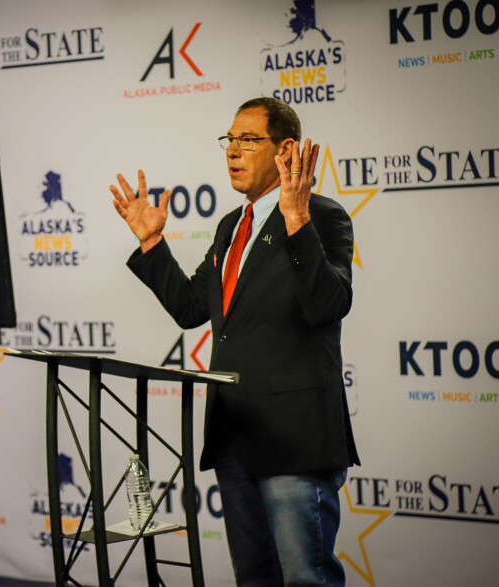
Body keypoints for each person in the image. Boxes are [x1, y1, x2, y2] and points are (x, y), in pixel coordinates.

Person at [109, 97, 359, 586]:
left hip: (294, 441)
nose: (233, 151)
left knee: (306, 578)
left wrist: (296, 220)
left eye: (248, 140)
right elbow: (190, 308)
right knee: (253, 578)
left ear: (286, 149)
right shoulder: (231, 226)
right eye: (230, 140)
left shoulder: (323, 217)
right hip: (234, 438)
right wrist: (151, 244)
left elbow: (329, 304)